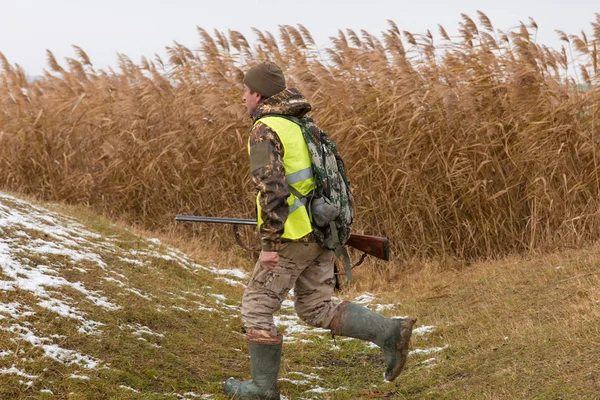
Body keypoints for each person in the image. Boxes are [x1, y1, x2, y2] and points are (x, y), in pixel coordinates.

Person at [224, 61, 416, 399]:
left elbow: (272, 188)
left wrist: (269, 243)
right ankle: (390, 332)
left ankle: (262, 390)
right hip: (320, 231)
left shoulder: (264, 128)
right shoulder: (301, 124)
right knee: (314, 307)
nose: (242, 97)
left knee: (256, 307)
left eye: (245, 91)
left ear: (257, 94)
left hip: (291, 236)